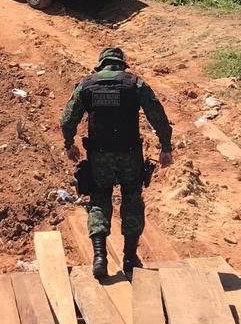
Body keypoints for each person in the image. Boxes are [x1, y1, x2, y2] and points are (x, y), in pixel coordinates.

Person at [59, 46, 173, 279]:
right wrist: (165, 147)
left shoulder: (87, 85)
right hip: (130, 155)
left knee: (100, 199)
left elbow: (66, 119)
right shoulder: (135, 84)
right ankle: (130, 258)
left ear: (101, 65)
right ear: (122, 64)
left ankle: (100, 256)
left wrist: (69, 144)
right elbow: (158, 117)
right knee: (132, 199)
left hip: (100, 156)